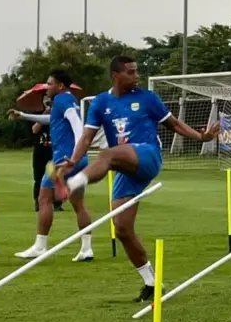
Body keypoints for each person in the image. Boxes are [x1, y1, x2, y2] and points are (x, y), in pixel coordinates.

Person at [57, 56, 219, 302]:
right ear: (116, 75)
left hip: (147, 156)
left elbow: (173, 124)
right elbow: (87, 138)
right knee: (122, 229)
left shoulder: (147, 98)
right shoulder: (101, 102)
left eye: (137, 72)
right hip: (123, 168)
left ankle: (74, 183)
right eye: (131, 72)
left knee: (107, 154)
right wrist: (72, 159)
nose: (136, 76)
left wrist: (201, 136)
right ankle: (152, 284)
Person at [10, 70, 94, 261]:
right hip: (79, 159)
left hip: (65, 160)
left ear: (60, 85)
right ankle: (87, 249)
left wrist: (73, 156)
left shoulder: (63, 100)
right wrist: (23, 115)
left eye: (49, 84)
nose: (46, 87)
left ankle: (40, 246)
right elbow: (52, 120)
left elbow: (77, 125)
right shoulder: (67, 100)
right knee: (78, 203)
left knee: (44, 199)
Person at [30, 95, 62, 213]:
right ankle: (38, 202)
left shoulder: (59, 113)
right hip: (40, 150)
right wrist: (45, 113)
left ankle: (57, 203)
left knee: (56, 176)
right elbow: (34, 129)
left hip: (54, 150)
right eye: (45, 99)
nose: (48, 102)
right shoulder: (37, 114)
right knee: (39, 177)